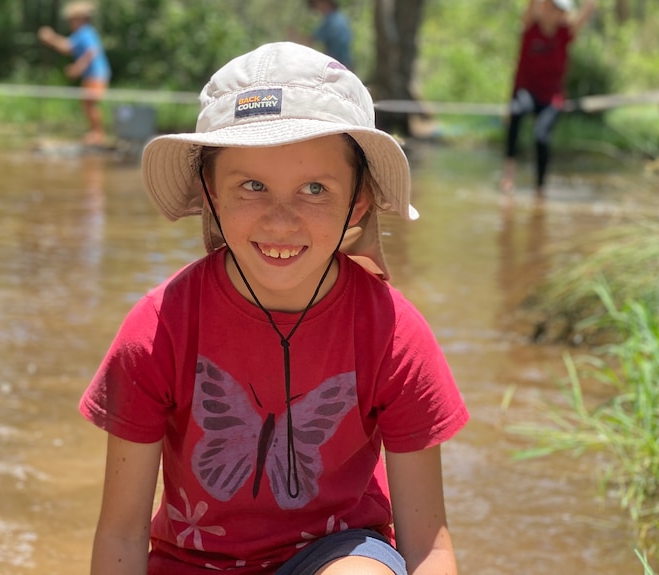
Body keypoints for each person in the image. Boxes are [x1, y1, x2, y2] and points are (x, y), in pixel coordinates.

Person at [79, 42, 469, 575]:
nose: (280, 221)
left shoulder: (393, 334)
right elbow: (121, 533)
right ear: (209, 192)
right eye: (252, 187)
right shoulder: (158, 329)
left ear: (357, 199)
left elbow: (427, 544)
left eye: (314, 189)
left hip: (337, 555)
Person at [501, 0, 598, 197]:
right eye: (552, 7)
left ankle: (540, 188)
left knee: (541, 136)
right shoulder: (530, 26)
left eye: (560, 10)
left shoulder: (564, 34)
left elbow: (588, 9)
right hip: (526, 91)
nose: (555, 13)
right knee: (517, 111)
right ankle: (509, 174)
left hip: (552, 97)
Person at [38, 1, 111, 146]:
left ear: (81, 19)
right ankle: (95, 133)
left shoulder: (86, 32)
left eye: (72, 19)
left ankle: (98, 134)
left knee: (90, 104)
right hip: (92, 75)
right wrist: (52, 39)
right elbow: (67, 47)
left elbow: (92, 52)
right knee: (87, 104)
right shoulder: (81, 34)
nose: (70, 22)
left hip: (97, 75)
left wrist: (78, 67)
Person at [305, 0, 354, 70]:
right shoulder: (341, 18)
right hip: (346, 63)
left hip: (336, 65)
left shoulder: (330, 22)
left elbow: (309, 41)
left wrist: (294, 37)